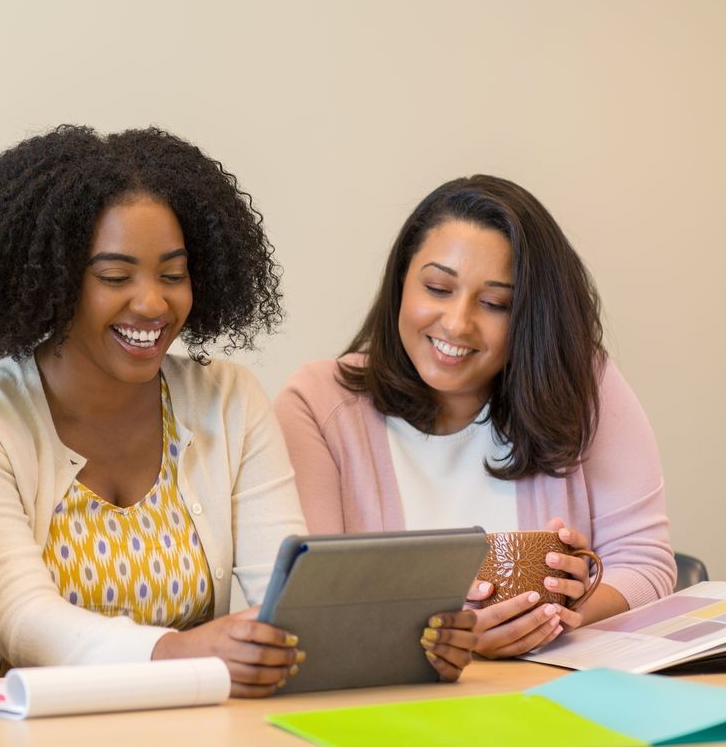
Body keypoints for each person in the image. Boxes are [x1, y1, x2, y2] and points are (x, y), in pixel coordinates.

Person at [0, 125, 477, 696]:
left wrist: (411, 642)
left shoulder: (228, 399)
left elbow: (281, 604)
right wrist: (180, 651)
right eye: (115, 276)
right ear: (53, 282)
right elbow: (25, 624)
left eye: (173, 274)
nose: (153, 303)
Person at [275, 174, 676, 659]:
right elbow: (311, 607)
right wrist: (445, 638)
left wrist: (568, 610)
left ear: (531, 314)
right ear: (402, 279)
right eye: (438, 288)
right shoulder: (318, 404)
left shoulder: (581, 384)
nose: (457, 323)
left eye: (494, 304)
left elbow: (647, 565)